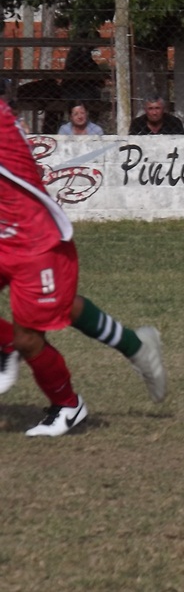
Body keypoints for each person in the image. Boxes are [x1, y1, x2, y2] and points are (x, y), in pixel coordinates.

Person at [0, 99, 167, 436]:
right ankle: (134, 345)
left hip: (34, 243)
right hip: (5, 236)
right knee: (58, 309)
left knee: (29, 338)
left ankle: (67, 406)